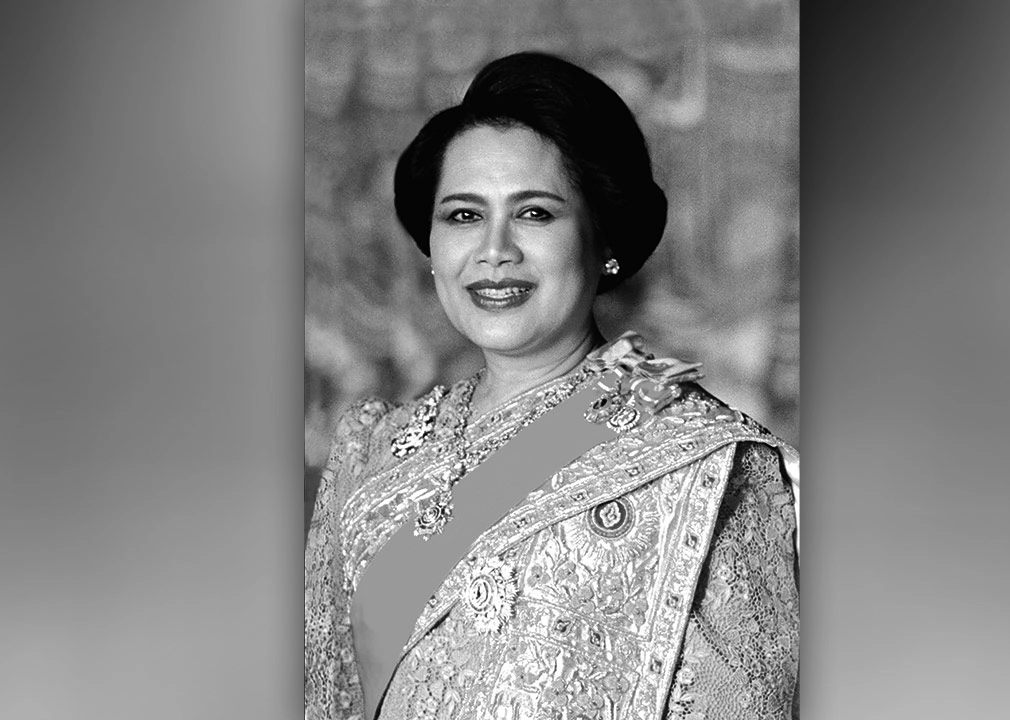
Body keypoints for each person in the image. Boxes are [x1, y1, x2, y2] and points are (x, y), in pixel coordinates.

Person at [305, 52, 799, 720]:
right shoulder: (371, 453)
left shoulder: (708, 466)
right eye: (463, 215)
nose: (495, 250)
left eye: (535, 213)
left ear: (603, 239)